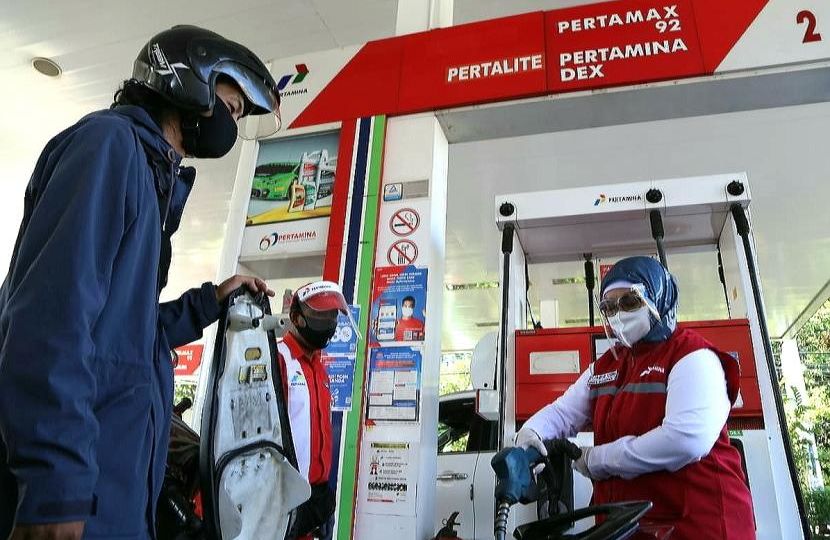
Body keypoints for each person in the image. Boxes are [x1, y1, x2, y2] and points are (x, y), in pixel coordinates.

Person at [0, 26, 280, 540]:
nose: (230, 126)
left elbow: (126, 336)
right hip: (77, 504)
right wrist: (55, 486)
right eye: (233, 108)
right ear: (189, 81)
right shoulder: (110, 147)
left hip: (111, 493)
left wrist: (207, 302)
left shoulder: (149, 177)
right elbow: (49, 322)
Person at [515, 256, 755, 539]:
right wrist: (529, 434)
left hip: (697, 525)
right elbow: (562, 413)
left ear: (659, 298)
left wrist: (596, 459)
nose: (619, 314)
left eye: (629, 302)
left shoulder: (693, 357)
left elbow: (685, 440)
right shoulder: (607, 365)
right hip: (629, 526)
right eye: (609, 307)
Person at [275, 281, 356, 540]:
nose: (328, 323)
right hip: (285, 498)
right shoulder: (279, 358)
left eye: (332, 316)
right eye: (320, 316)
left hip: (318, 499)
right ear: (296, 318)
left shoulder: (319, 367)